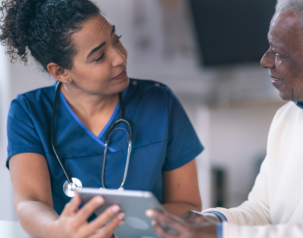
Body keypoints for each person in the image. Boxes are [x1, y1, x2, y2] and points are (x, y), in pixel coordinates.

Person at [146, 0, 303, 237]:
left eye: (279, 54)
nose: (265, 61)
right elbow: (262, 210)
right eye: (269, 47)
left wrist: (220, 234)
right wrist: (212, 220)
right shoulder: (287, 116)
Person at [0, 0, 203, 237]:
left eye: (116, 39)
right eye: (98, 57)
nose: (119, 58)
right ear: (60, 72)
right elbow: (30, 203)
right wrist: (58, 230)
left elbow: (188, 204)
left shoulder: (160, 102)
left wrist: (124, 229)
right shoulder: (29, 112)